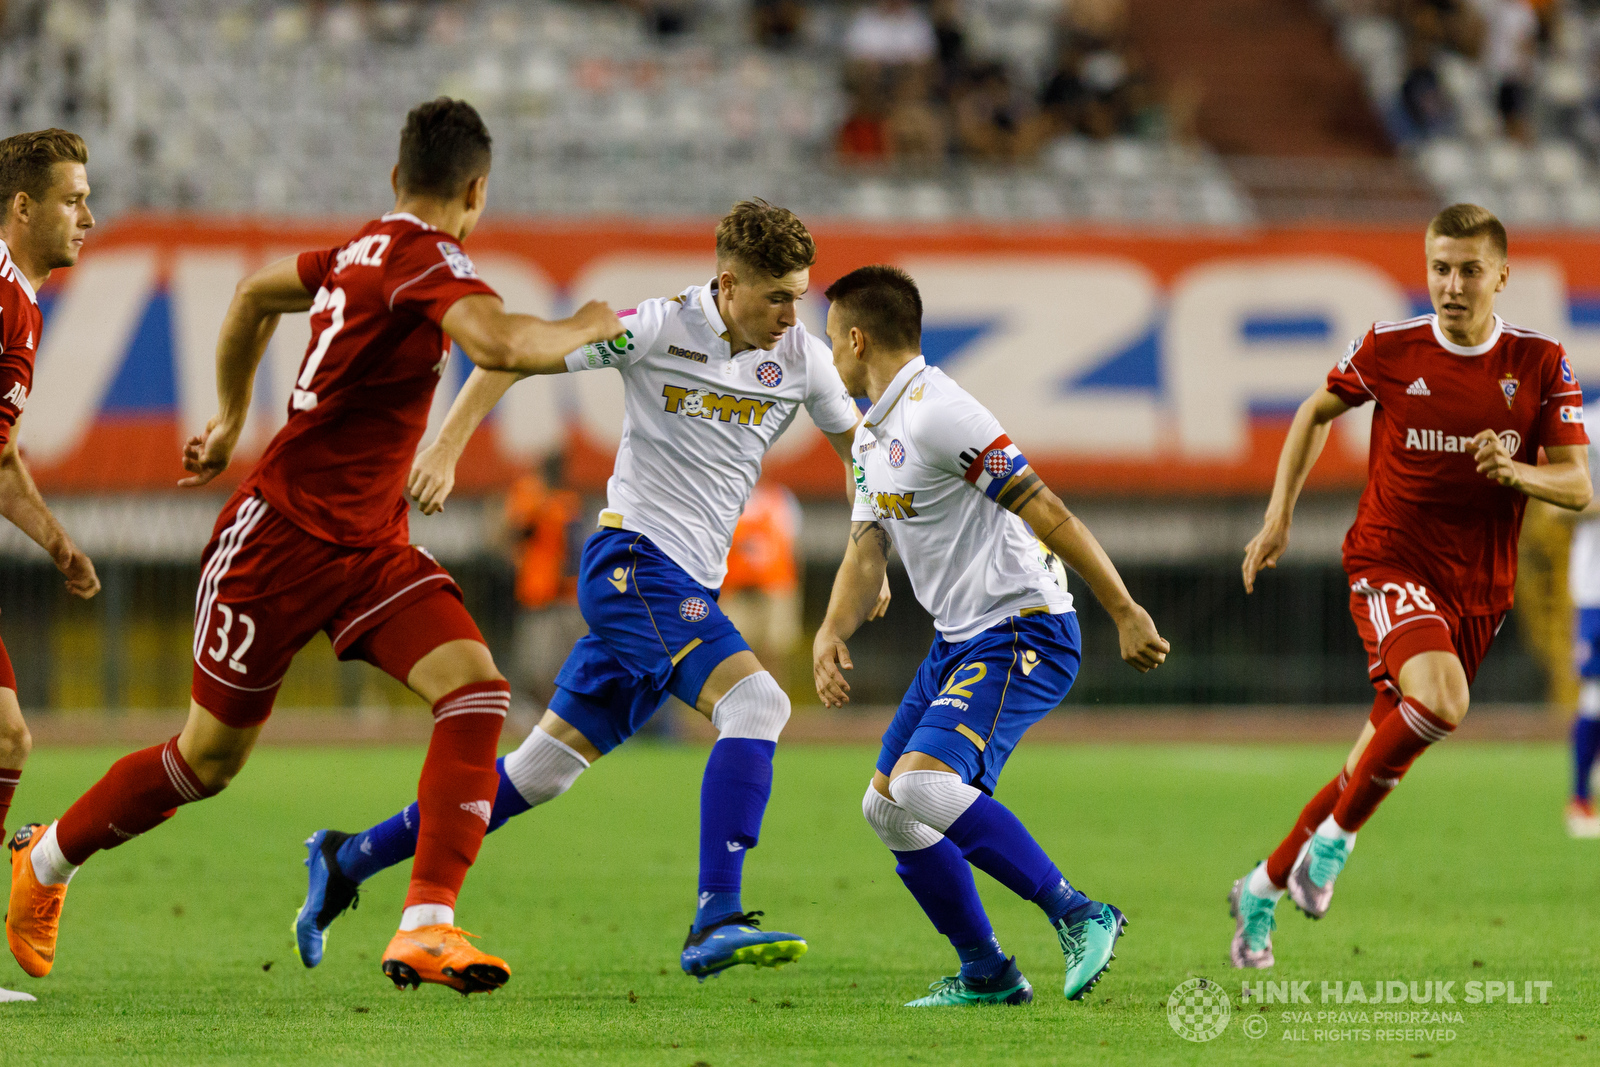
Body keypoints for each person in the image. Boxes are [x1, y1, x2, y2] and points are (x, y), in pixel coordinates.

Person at [5, 98, 626, 994]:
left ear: (394, 178)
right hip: (277, 544)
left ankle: (426, 922)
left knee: (477, 690)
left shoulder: (363, 248)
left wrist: (225, 417)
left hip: (370, 545)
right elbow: (499, 341)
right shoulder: (422, 258)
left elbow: (256, 292)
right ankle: (48, 861)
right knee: (204, 761)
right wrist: (585, 323)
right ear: (477, 190)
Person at [294, 199, 887, 981]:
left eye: (799, 294)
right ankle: (716, 915)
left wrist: (873, 533)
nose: (791, 312)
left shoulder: (802, 359)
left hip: (684, 583)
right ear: (727, 281)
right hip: (632, 563)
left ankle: (346, 857)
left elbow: (862, 447)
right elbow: (513, 355)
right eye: (776, 295)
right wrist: (446, 443)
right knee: (757, 703)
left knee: (540, 772)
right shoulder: (656, 327)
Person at [1229, 204, 1591, 969]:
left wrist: (1514, 470)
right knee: (1443, 701)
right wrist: (1277, 516)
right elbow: (1313, 411)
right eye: (1438, 268)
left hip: (1479, 592)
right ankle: (1334, 842)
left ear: (1500, 276)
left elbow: (1580, 486)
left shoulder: (1539, 361)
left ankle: (1261, 886)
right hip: (1389, 562)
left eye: (1466, 270)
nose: (1450, 285)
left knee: (1367, 758)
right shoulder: (1391, 348)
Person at [812, 265, 1168, 1006]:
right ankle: (987, 970)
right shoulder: (873, 435)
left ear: (855, 338)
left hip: (1022, 627)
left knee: (922, 783)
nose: (829, 356)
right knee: (886, 806)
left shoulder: (943, 412)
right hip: (958, 640)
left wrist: (1124, 607)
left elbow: (1048, 509)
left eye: (830, 340)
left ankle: (1080, 912)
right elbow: (864, 549)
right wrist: (827, 630)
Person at [0, 128, 101, 1003]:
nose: (89, 216)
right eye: (73, 199)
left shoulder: (21, 302)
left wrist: (57, 541)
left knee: (5, 735)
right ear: (24, 206)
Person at [501, 457, 586, 708]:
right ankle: (545, 716)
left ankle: (563, 715)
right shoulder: (529, 496)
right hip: (538, 598)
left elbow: (575, 549)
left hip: (566, 597)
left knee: (567, 666)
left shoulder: (566, 503)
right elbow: (511, 533)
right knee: (535, 667)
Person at [721, 481, 802, 687]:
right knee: (733, 656)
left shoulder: (782, 498)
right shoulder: (725, 497)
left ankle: (775, 711)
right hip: (735, 590)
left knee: (773, 654)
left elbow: (794, 549)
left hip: (774, 588)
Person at [1564, 391, 1600, 838]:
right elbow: (1555, 509)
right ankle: (1579, 799)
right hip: (1596, 589)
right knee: (1594, 694)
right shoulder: (1586, 425)